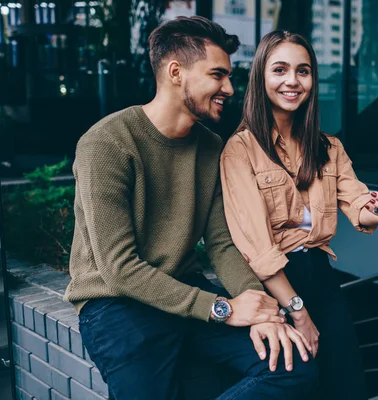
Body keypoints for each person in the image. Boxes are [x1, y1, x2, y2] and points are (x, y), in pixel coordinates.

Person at [64, 17, 317, 400]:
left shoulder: (210, 146)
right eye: (218, 75)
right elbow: (119, 270)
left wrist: (258, 308)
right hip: (116, 306)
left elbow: (222, 243)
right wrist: (223, 309)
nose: (229, 88)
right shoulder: (106, 142)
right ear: (176, 72)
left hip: (185, 290)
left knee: (292, 366)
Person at [220, 30, 378, 399]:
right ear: (261, 77)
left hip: (322, 276)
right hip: (276, 286)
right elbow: (257, 249)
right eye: (280, 70)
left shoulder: (328, 147)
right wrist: (298, 312)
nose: (292, 81)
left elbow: (358, 207)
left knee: (348, 384)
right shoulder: (239, 151)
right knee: (298, 384)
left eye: (303, 71)